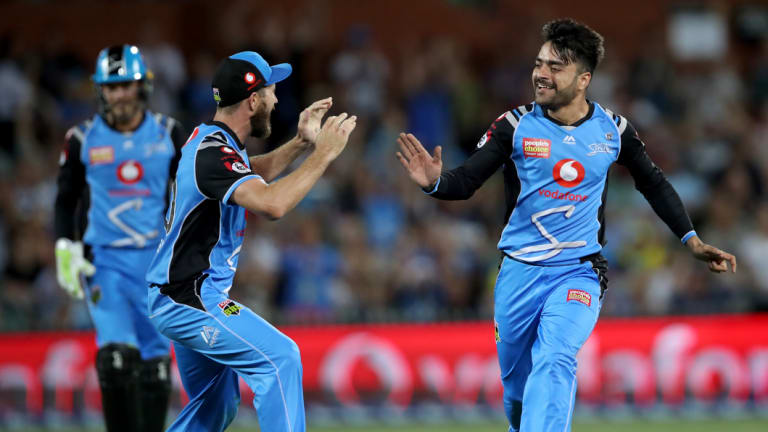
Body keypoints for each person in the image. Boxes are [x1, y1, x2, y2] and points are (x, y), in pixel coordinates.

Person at [396, 18, 737, 432]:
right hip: (518, 274)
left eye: (556, 67)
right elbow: (464, 183)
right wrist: (435, 182)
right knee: (517, 394)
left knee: (557, 357)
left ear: (583, 79)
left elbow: (654, 183)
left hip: (579, 271)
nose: (541, 73)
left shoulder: (613, 129)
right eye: (539, 63)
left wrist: (692, 240)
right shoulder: (514, 126)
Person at [146, 51, 356, 432]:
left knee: (217, 405)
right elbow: (273, 204)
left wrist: (301, 144)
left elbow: (254, 171)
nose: (277, 101)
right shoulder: (212, 154)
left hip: (186, 294)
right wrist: (323, 155)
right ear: (254, 100)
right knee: (281, 359)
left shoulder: (214, 142)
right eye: (272, 91)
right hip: (188, 297)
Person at [54, 45, 185, 431]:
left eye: (126, 85)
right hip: (105, 264)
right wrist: (66, 246)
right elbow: (65, 200)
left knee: (157, 367)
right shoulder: (81, 138)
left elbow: (189, 195)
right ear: (100, 91)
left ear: (142, 86)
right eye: (112, 87)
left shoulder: (169, 133)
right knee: (115, 358)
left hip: (157, 266)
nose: (120, 94)